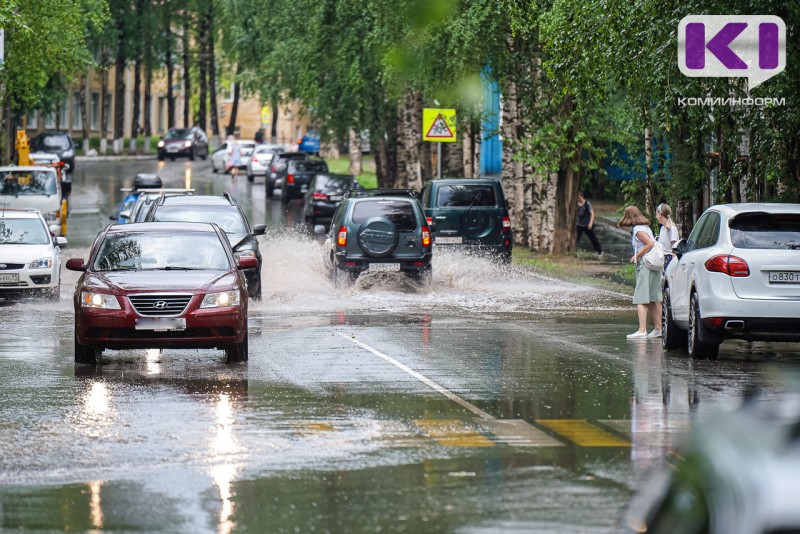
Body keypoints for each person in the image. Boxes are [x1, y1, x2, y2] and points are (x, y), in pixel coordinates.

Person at [618, 205, 662, 340]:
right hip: (654, 265)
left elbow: (650, 244)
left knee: (641, 298)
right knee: (652, 298)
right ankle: (659, 328)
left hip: (645, 264)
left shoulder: (638, 230)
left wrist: (637, 256)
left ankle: (642, 330)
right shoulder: (646, 227)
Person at [576, 191, 603, 257]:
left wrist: (590, 223)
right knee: (576, 238)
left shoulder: (587, 204)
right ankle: (573, 250)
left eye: (579, 198)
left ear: (582, 197)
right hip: (579, 224)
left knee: (593, 238)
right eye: (577, 198)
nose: (578, 199)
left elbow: (592, 213)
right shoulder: (576, 204)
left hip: (587, 224)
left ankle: (600, 251)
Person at [656, 203, 679, 273]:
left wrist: (673, 267)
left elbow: (674, 250)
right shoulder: (662, 228)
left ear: (660, 214)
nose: (656, 216)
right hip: (661, 260)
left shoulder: (672, 229)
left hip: (668, 261)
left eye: (656, 213)